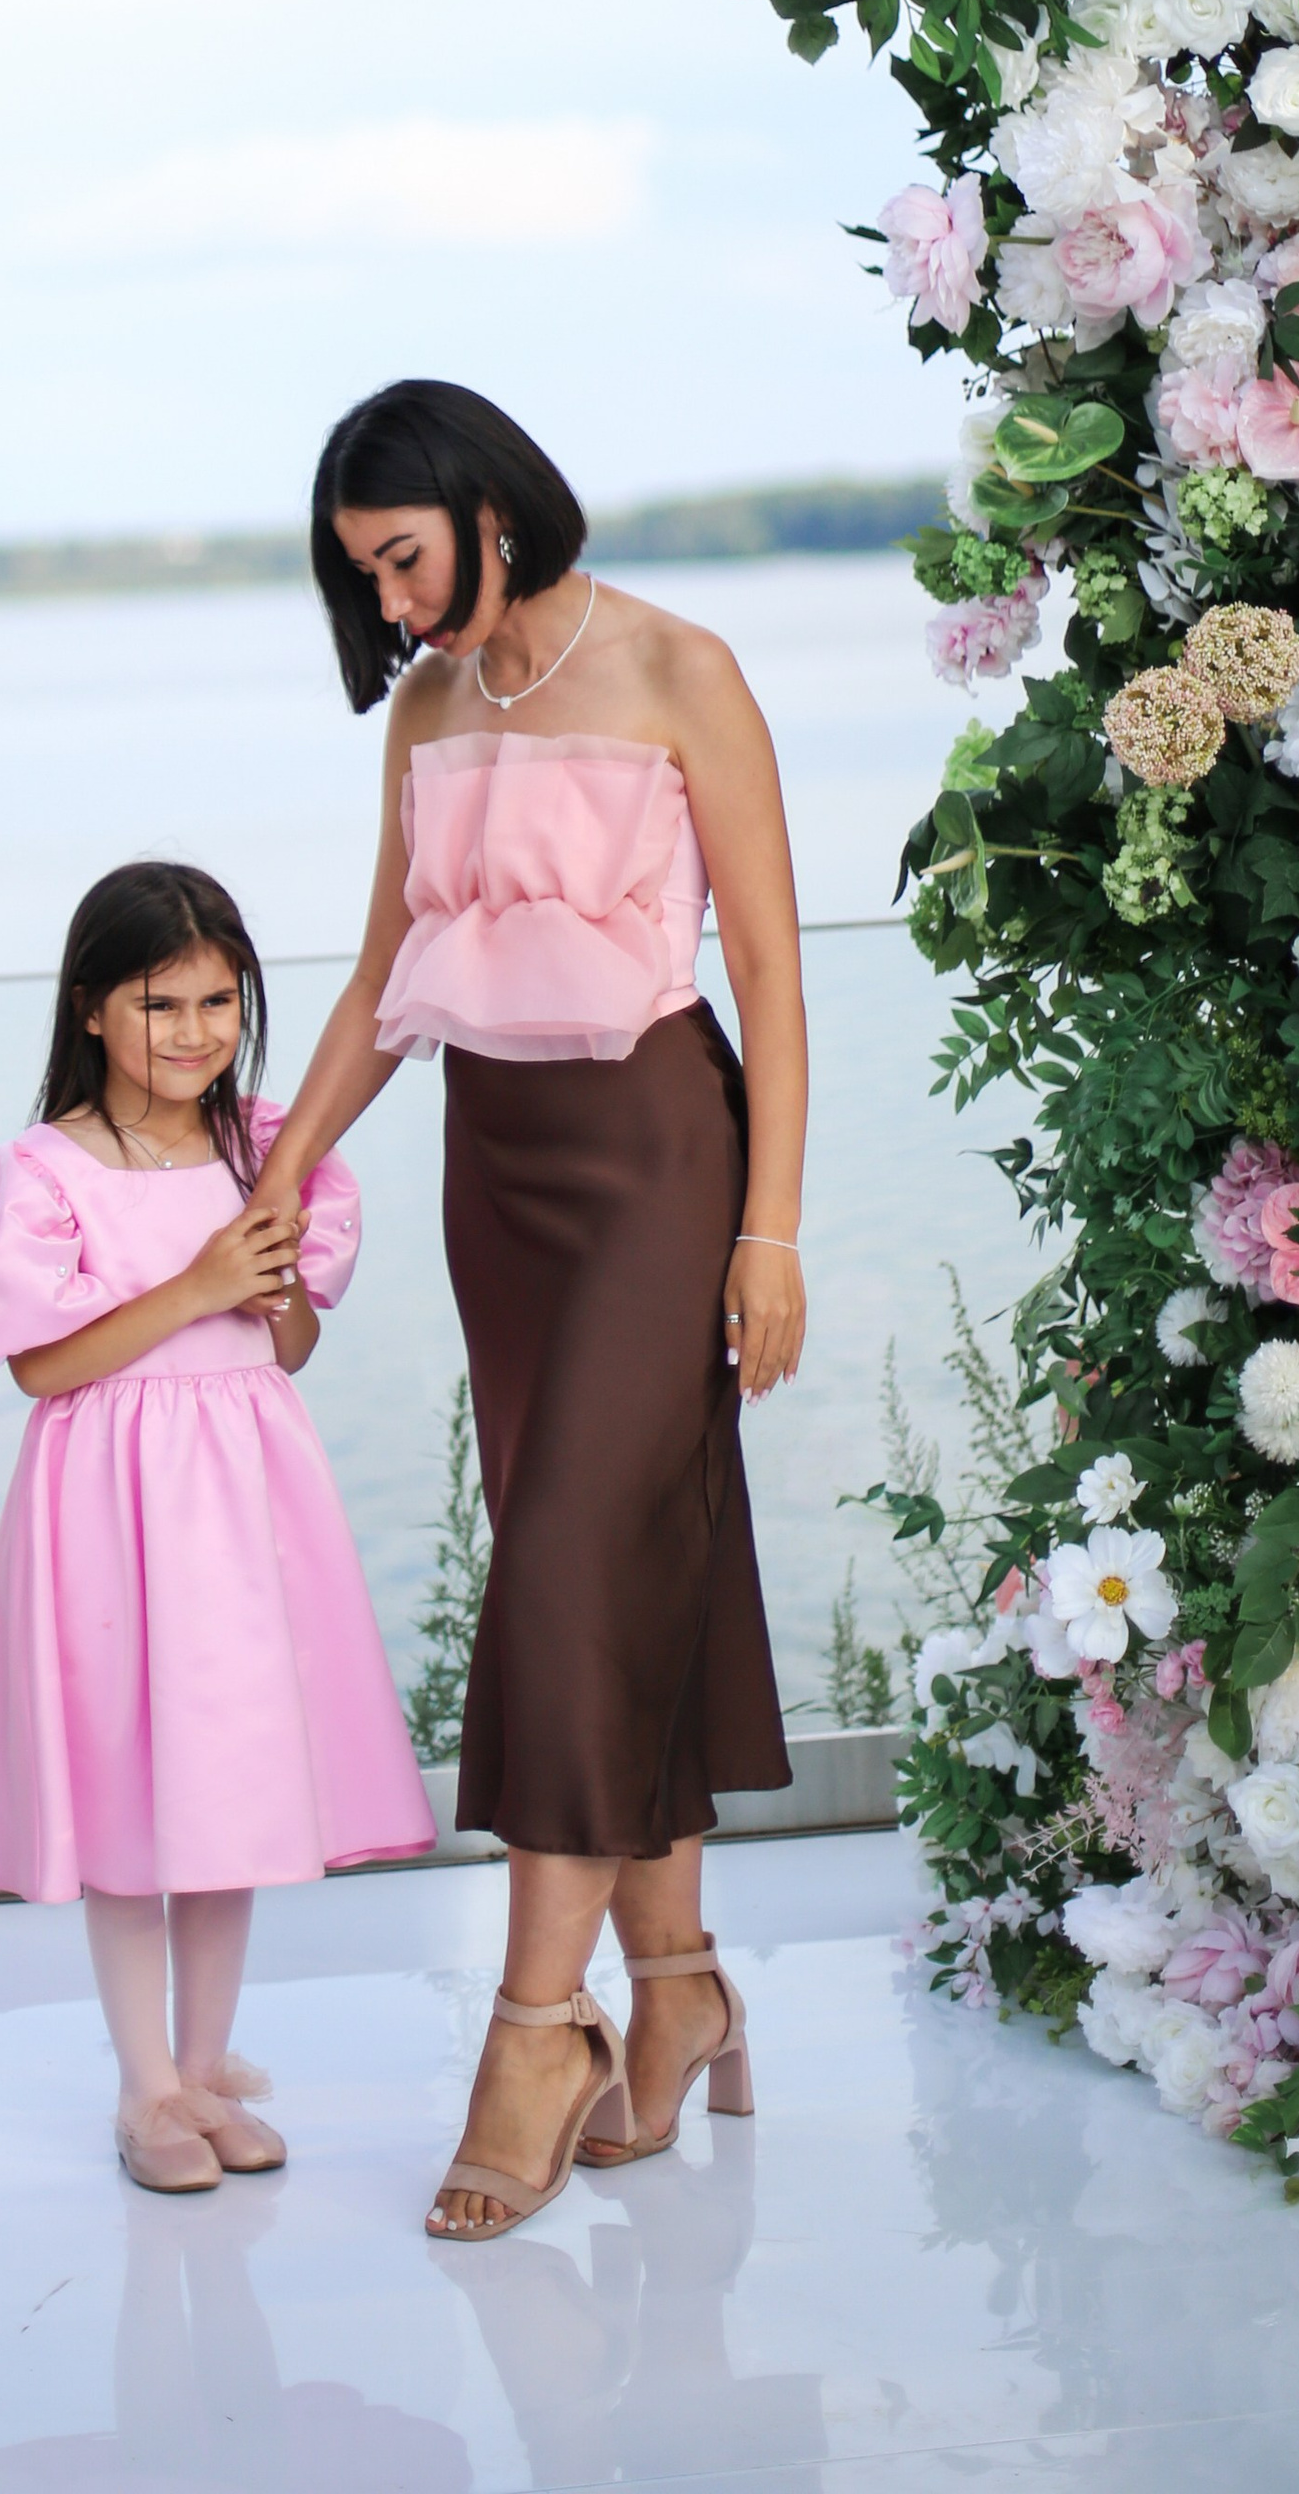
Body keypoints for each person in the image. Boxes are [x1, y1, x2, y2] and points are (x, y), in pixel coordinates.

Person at [239, 380, 807, 2244]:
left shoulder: (678, 669)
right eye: (365, 581)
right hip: (501, 1173)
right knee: (621, 1573)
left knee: (561, 1567)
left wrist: (772, 1233)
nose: (394, 607)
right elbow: (386, 981)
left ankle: (536, 2029)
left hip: (660, 1156)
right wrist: (284, 1173)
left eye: (402, 560)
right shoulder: (424, 707)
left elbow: (777, 986)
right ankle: (688, 1982)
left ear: (486, 505)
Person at [0, 858, 434, 2193]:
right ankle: (144, 2087)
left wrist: (266, 1291)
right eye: (162, 1005)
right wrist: (201, 1278)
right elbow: (42, 1368)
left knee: (229, 1775)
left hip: (243, 1487)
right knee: (123, 1774)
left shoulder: (263, 1144)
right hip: (109, 1490)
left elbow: (296, 1340)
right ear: (91, 1008)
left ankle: (210, 2068)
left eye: (218, 1001)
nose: (196, 1032)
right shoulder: (39, 1175)